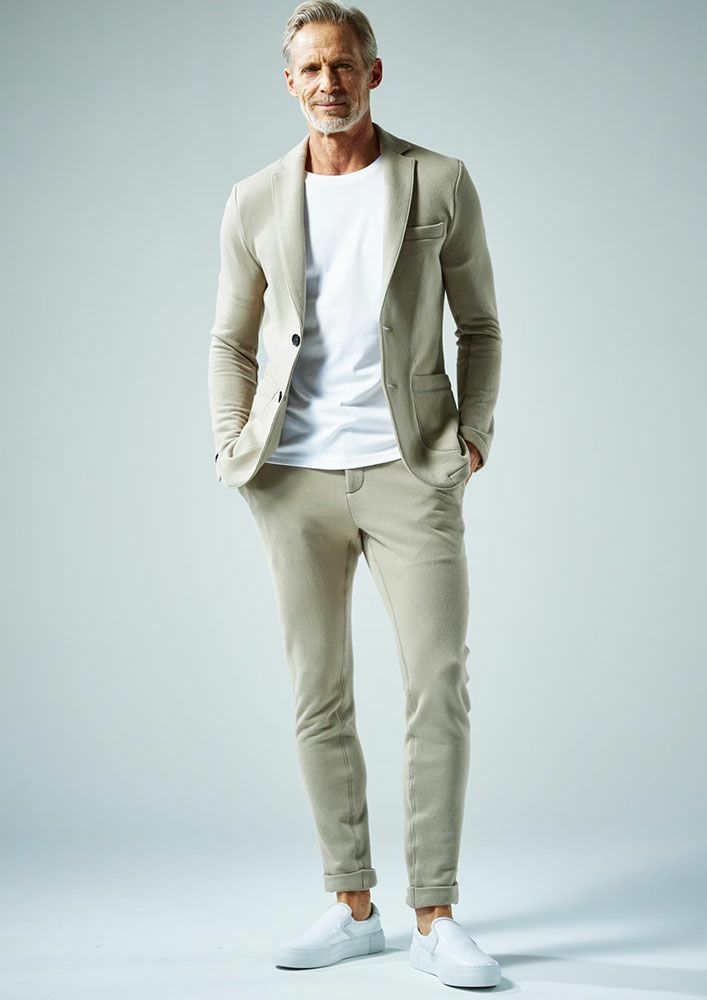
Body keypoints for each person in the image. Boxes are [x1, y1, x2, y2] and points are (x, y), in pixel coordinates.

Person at [208, 1, 502, 988]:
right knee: (317, 689)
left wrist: (470, 435)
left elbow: (480, 325)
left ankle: (434, 915)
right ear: (288, 81)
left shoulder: (437, 180)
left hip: (408, 469)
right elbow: (230, 340)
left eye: (343, 65)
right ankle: (351, 904)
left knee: (436, 682)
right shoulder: (254, 197)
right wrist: (234, 444)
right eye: (310, 69)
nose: (327, 83)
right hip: (291, 480)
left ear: (374, 72)